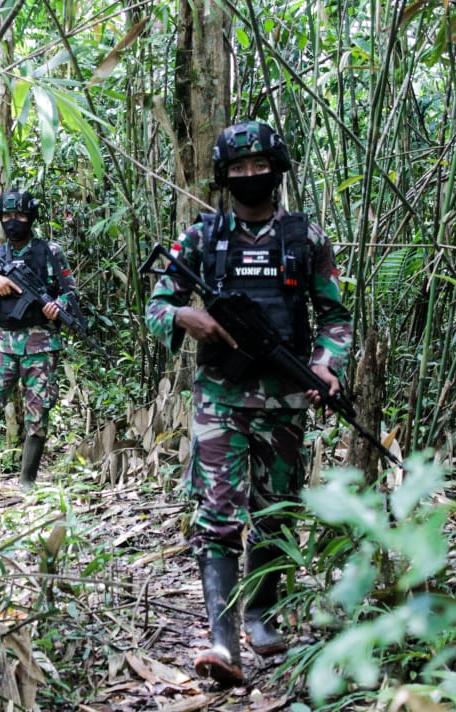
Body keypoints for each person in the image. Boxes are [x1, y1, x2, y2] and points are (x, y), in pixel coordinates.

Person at [145, 120, 353, 686]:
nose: (250, 176)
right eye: (238, 169)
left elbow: (335, 318)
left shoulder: (304, 240)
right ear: (223, 176)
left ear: (277, 169)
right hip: (220, 398)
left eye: (259, 166)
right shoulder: (201, 239)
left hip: (285, 399)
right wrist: (186, 316)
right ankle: (222, 637)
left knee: (276, 511)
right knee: (215, 515)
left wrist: (324, 365)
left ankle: (260, 613)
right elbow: (158, 303)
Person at [0, 188, 78, 491]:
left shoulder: (51, 253)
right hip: (2, 345)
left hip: (41, 344)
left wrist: (58, 306)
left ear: (30, 217)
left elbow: (70, 293)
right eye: (7, 216)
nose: (14, 221)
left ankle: (27, 481)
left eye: (20, 215)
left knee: (38, 411)